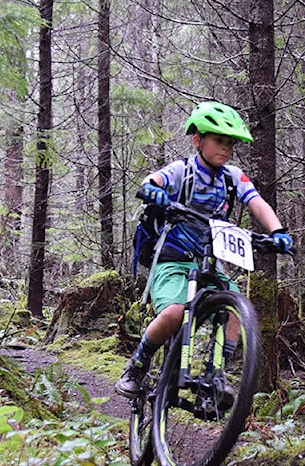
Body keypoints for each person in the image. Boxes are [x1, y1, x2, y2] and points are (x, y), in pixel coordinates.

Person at [116, 100, 294, 397]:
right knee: (174, 313)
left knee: (236, 312)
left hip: (209, 260)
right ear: (198, 140)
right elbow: (154, 179)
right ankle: (137, 364)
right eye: (219, 141)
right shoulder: (182, 170)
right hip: (173, 259)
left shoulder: (232, 176)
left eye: (230, 144)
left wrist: (277, 231)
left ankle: (214, 375)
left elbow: (257, 202)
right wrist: (153, 191)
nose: (225, 149)